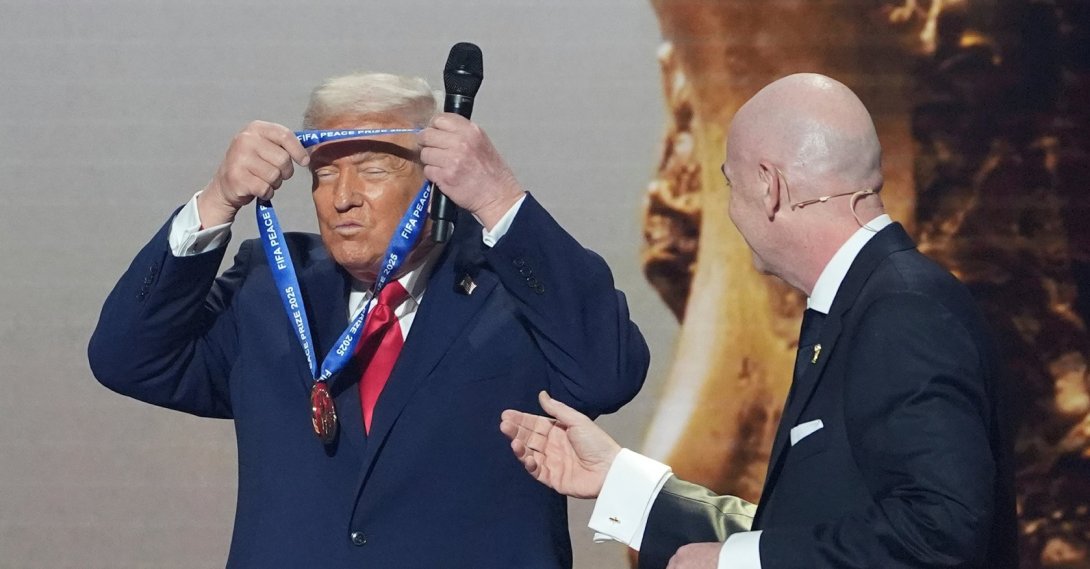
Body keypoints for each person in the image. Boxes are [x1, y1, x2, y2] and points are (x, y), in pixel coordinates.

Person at [88, 72, 649, 568]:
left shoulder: (512, 288)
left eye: (372, 169)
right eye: (326, 175)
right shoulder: (271, 288)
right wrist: (214, 203)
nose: (343, 198)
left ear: (435, 179)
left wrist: (498, 197)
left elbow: (608, 373)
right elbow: (128, 358)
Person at [500, 73, 1017, 569]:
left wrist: (742, 562)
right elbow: (816, 531)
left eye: (730, 183)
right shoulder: (869, 302)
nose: (729, 209)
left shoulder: (903, 311)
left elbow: (941, 532)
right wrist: (619, 481)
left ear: (769, 186)